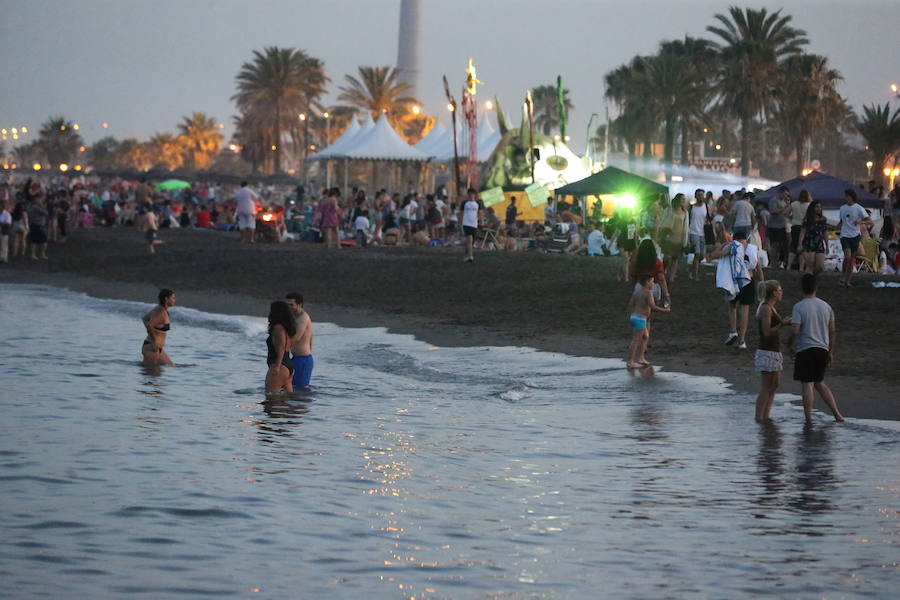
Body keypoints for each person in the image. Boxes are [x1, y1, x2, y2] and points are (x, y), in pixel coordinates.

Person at [789, 274, 844, 424]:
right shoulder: (826, 306)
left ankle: (809, 419)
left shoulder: (799, 307)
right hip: (822, 349)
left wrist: (789, 345)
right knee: (819, 382)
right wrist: (830, 351)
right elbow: (832, 331)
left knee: (807, 384)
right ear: (816, 288)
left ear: (802, 288)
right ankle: (837, 414)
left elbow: (795, 331)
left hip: (806, 349)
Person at [709, 230, 764, 349]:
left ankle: (733, 331)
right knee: (745, 310)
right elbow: (758, 268)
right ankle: (742, 340)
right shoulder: (752, 249)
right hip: (749, 280)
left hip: (734, 280)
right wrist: (762, 282)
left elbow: (714, 255)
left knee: (732, 306)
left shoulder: (732, 246)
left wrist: (722, 246)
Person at [754, 280, 791, 423]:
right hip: (767, 350)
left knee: (774, 385)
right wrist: (782, 324)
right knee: (767, 386)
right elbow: (766, 332)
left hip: (773, 350)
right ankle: (759, 417)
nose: (781, 293)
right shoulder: (765, 308)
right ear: (774, 293)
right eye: (779, 290)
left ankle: (766, 415)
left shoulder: (770, 307)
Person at [625, 275, 671, 368]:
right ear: (647, 282)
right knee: (636, 340)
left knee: (645, 336)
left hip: (635, 317)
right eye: (652, 282)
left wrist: (629, 316)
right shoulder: (648, 293)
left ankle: (640, 358)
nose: (653, 284)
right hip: (640, 319)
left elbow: (630, 304)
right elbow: (653, 307)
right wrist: (665, 310)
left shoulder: (637, 293)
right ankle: (630, 362)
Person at [838, 188, 872, 287]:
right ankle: (842, 276)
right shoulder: (842, 208)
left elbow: (870, 221)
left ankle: (848, 280)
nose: (845, 198)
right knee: (847, 257)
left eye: (847, 196)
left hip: (855, 235)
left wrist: (861, 222)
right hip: (844, 235)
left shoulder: (859, 208)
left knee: (851, 258)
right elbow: (842, 222)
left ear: (851, 197)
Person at [265, 300, 297, 394]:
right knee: (286, 401)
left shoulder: (278, 327)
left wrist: (277, 366)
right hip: (288, 365)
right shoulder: (288, 329)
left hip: (279, 366)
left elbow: (281, 347)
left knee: (271, 399)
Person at [286, 292, 314, 389]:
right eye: (287, 305)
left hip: (303, 359)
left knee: (299, 390)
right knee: (291, 388)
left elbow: (296, 337)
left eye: (291, 305)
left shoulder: (303, 318)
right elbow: (311, 337)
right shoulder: (293, 317)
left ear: (300, 304)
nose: (289, 307)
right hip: (296, 358)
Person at [631, 237, 670, 308]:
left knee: (640, 309)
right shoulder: (657, 262)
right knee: (652, 308)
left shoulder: (637, 262)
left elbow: (633, 275)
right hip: (654, 287)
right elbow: (661, 278)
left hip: (640, 286)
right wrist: (666, 294)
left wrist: (634, 287)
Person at [142, 289, 176, 366]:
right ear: (166, 299)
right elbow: (149, 325)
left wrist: (154, 331)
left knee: (172, 366)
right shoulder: (160, 311)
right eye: (173, 298)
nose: (174, 300)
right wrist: (154, 340)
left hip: (156, 348)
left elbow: (144, 318)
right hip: (152, 347)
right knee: (152, 373)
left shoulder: (161, 309)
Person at [664, 194, 689, 283]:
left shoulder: (685, 212)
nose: (683, 201)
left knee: (675, 258)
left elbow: (686, 226)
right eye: (682, 199)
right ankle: (664, 271)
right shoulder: (670, 209)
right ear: (678, 200)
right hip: (669, 237)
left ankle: (671, 277)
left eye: (684, 199)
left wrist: (686, 240)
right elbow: (664, 221)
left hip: (680, 237)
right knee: (667, 257)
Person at [799, 198, 827, 274]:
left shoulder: (823, 220)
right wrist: (800, 244)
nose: (819, 209)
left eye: (820, 207)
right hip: (809, 242)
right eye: (817, 207)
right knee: (810, 265)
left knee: (819, 266)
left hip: (819, 243)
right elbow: (802, 232)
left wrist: (827, 244)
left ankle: (813, 278)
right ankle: (808, 280)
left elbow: (824, 232)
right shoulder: (807, 220)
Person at [768, 187, 791, 268]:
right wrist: (785, 208)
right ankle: (773, 263)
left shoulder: (784, 202)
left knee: (782, 245)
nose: (786, 196)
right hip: (774, 226)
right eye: (785, 194)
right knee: (774, 245)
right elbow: (773, 211)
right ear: (780, 193)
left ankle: (781, 262)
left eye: (787, 195)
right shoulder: (774, 200)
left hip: (782, 226)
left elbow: (785, 213)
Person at [789, 189, 811, 271]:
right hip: (804, 227)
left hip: (794, 226)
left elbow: (786, 213)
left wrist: (791, 217)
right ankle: (801, 267)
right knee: (802, 247)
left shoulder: (794, 204)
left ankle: (788, 266)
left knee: (793, 246)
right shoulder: (809, 205)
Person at [459, 188, 480, 263]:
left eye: (472, 194)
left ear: (474, 195)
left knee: (471, 241)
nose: (471, 196)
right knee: (470, 240)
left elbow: (479, 213)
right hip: (466, 223)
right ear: (468, 195)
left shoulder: (477, 204)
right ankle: (470, 256)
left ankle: (466, 253)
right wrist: (460, 223)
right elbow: (461, 214)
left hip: (474, 224)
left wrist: (480, 220)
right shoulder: (464, 203)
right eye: (470, 194)